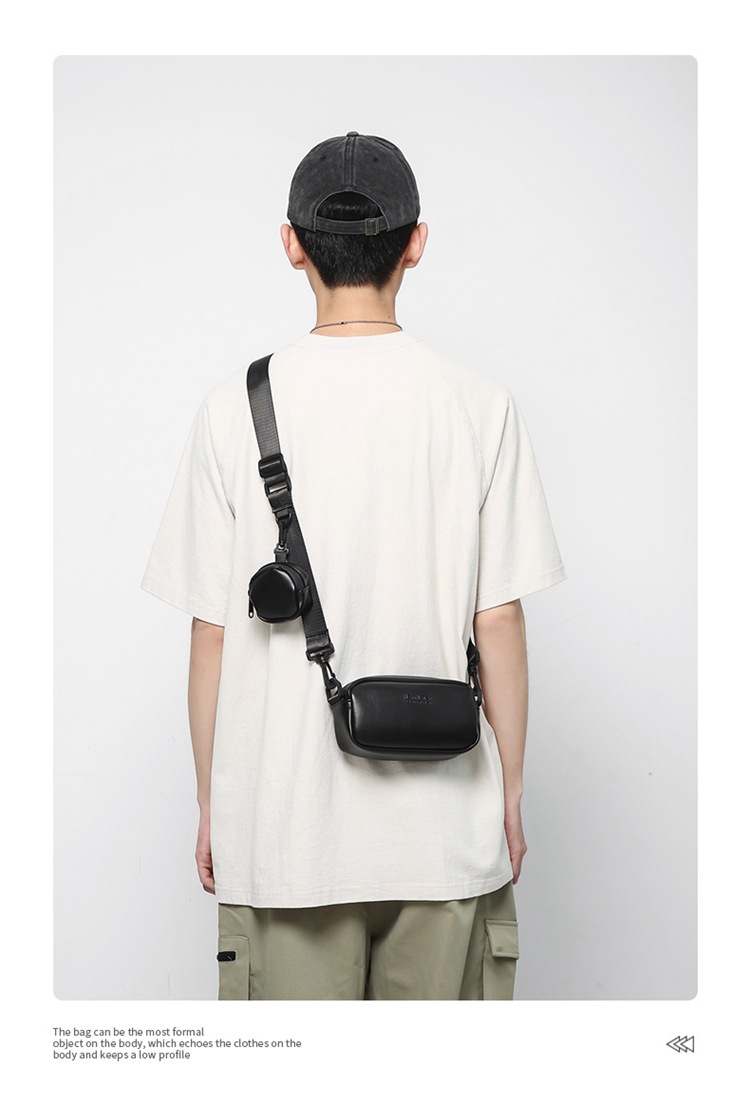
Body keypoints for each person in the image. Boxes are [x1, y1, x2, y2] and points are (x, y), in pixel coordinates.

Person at [141, 132, 566, 1000]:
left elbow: (211, 634)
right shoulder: (481, 406)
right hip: (445, 835)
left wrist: (214, 803)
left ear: (291, 244)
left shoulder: (232, 410)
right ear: (416, 243)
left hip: (287, 836)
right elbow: (498, 620)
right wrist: (510, 789)